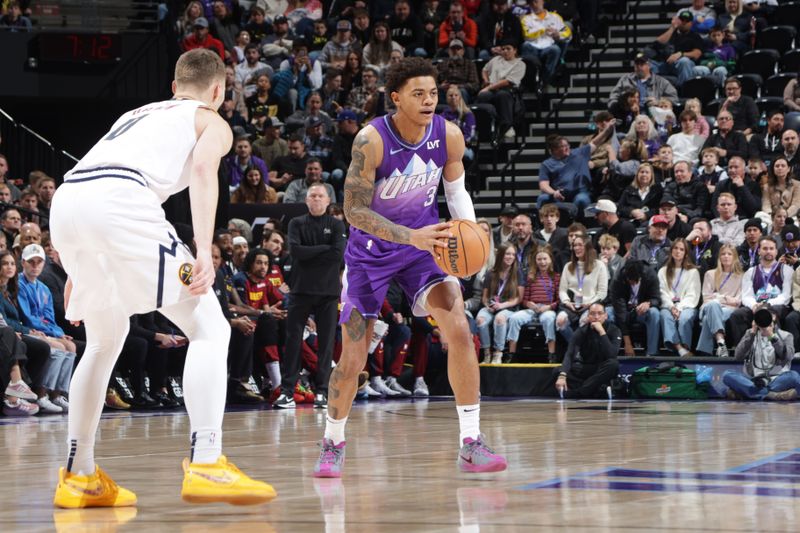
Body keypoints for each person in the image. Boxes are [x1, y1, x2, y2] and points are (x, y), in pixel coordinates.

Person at [48, 49, 275, 508]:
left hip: (68, 200)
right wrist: (204, 249)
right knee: (210, 327)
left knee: (103, 342)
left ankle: (79, 474)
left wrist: (77, 265)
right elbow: (203, 171)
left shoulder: (137, 113)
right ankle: (208, 461)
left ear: (173, 87)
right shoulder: (211, 120)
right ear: (219, 92)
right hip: (120, 201)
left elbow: (90, 185)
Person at [314, 57, 507, 478]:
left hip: (425, 246)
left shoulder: (448, 135)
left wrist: (470, 234)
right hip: (371, 252)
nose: (428, 101)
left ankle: (471, 441)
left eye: (433, 93)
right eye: (418, 94)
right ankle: (332, 442)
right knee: (353, 356)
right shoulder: (371, 140)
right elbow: (351, 209)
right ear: (396, 97)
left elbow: (455, 193)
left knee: (459, 327)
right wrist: (408, 235)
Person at [274, 184, 346, 409]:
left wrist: (312, 251)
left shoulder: (336, 224)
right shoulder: (296, 223)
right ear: (306, 200)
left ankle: (323, 391)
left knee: (326, 344)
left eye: (320, 196)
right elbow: (296, 252)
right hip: (300, 290)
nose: (316, 199)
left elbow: (338, 253)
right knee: (293, 341)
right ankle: (287, 391)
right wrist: (324, 248)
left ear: (327, 200)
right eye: (312, 196)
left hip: (328, 292)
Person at [724, 308, 799, 401]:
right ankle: (771, 395)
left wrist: (772, 336)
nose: (763, 319)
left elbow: (788, 356)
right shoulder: (750, 334)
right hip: (753, 380)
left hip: (777, 380)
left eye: (766, 315)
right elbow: (738, 356)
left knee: (794, 376)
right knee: (727, 375)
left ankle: (747, 393)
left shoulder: (786, 335)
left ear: (774, 317)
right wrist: (751, 334)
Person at [729, 236, 793, 345]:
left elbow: (786, 296)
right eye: (765, 248)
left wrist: (766, 304)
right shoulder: (751, 271)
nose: (768, 251)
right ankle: (743, 350)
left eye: (771, 248)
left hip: (776, 306)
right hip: (756, 305)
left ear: (776, 251)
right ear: (759, 251)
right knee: (738, 315)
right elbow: (746, 295)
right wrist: (754, 305)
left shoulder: (786, 270)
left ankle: (776, 350)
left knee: (770, 313)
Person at [537, 126, 615, 212]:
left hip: (580, 192)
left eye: (567, 145)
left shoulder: (579, 153)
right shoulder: (547, 164)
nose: (567, 148)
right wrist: (554, 192)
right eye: (562, 146)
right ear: (554, 150)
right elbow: (543, 185)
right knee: (543, 198)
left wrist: (607, 130)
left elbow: (595, 142)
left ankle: (580, 223)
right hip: (558, 193)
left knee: (581, 200)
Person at [554, 303, 621, 399]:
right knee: (557, 371)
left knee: (613, 365)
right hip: (587, 367)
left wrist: (602, 332)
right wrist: (562, 375)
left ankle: (580, 392)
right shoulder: (581, 331)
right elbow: (570, 354)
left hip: (603, 368)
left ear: (605, 316)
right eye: (593, 314)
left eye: (600, 313)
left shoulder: (614, 330)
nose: (596, 317)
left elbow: (611, 354)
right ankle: (598, 389)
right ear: (588, 316)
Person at [507, 245, 560, 362]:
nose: (542, 262)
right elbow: (524, 299)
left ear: (550, 260)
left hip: (547, 309)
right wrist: (528, 304)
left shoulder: (556, 277)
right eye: (539, 259)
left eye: (545, 259)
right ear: (535, 261)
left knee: (549, 319)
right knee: (514, 318)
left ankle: (551, 354)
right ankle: (511, 353)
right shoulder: (530, 277)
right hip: (532, 309)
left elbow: (559, 300)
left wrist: (549, 307)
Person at [476, 243, 524, 364]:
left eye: (513, 254)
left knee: (500, 318)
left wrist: (502, 306)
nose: (511, 257)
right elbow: (485, 297)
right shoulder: (490, 273)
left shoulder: (517, 273)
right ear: (501, 255)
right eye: (508, 253)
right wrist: (488, 305)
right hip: (492, 307)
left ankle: (498, 353)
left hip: (509, 307)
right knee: (480, 319)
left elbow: (518, 298)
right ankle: (487, 354)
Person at [556, 234, 609, 342]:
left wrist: (590, 303)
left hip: (590, 305)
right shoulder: (568, 266)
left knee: (584, 321)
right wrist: (567, 302)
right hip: (571, 305)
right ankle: (576, 347)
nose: (576, 248)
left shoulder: (599, 265)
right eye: (575, 245)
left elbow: (602, 292)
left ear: (588, 247)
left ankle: (579, 350)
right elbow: (562, 290)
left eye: (580, 245)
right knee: (560, 321)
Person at [697, 243, 743, 357]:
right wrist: (726, 299)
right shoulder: (710, 274)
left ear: (734, 257)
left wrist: (719, 297)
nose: (726, 256)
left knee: (709, 317)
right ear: (719, 257)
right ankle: (721, 343)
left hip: (729, 309)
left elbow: (738, 301)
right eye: (723, 254)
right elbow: (707, 297)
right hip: (709, 306)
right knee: (713, 305)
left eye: (729, 254)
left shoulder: (742, 276)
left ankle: (714, 347)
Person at [658, 239, 701, 357]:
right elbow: (662, 292)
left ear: (686, 253)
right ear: (671, 251)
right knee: (664, 315)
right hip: (668, 305)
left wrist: (679, 308)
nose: (678, 251)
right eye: (675, 248)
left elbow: (693, 294)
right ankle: (679, 348)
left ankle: (686, 347)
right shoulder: (663, 271)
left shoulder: (693, 271)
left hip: (686, 305)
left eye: (681, 249)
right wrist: (672, 307)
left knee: (685, 318)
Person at [476, 39, 526, 140]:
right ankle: (484, 126)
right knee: (482, 96)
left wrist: (488, 87)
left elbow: (508, 81)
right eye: (503, 49)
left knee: (502, 95)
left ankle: (506, 126)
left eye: (508, 49)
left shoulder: (520, 64)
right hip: (491, 89)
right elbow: (484, 70)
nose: (505, 51)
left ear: (515, 50)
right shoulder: (496, 59)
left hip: (507, 90)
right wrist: (486, 81)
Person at [611, 259, 662, 357]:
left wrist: (649, 303)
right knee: (608, 314)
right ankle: (610, 354)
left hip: (640, 311)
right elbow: (620, 312)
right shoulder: (618, 279)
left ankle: (652, 353)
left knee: (654, 313)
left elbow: (657, 299)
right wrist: (628, 343)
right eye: (630, 281)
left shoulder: (650, 275)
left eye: (635, 281)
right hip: (624, 309)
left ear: (641, 276)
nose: (632, 284)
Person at [520, 0, 571, 86]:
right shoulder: (526, 19)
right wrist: (543, 30)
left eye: (536, 1)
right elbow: (527, 35)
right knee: (525, 46)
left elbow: (567, 33)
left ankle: (545, 80)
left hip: (548, 46)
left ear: (542, 1)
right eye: (531, 3)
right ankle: (529, 80)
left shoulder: (555, 17)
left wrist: (558, 35)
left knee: (555, 49)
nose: (534, 5)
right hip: (533, 46)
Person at [607, 52, 678, 112]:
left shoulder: (661, 81)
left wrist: (658, 102)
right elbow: (613, 98)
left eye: (642, 64)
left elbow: (674, 99)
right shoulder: (626, 79)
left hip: (653, 114)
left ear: (649, 65)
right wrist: (623, 105)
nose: (639, 67)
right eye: (636, 64)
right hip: (629, 113)